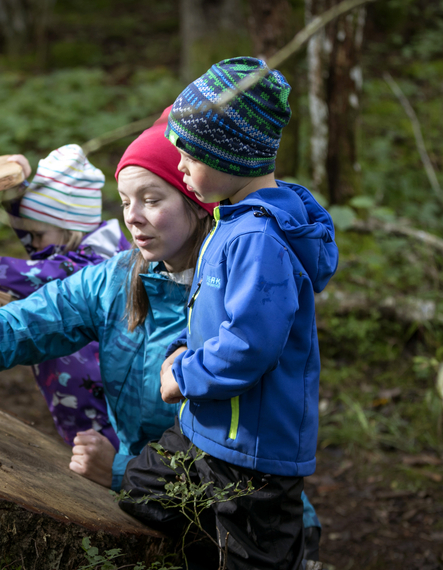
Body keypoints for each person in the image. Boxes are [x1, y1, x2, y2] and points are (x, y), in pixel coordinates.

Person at [0, 107, 322, 560]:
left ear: (198, 204)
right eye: (124, 202)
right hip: (155, 500)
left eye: (152, 200)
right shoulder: (115, 280)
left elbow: (235, 434)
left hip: (246, 521)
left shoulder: (237, 291)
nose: (132, 216)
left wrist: (119, 471)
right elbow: (20, 326)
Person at [119, 58, 338, 569]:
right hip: (206, 434)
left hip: (253, 454)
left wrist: (185, 376)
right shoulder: (231, 220)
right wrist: (181, 351)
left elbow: (249, 347)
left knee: (254, 560)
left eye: (187, 154)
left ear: (230, 158)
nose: (179, 165)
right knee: (142, 489)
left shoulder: (260, 239)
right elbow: (219, 320)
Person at [0, 144, 128, 449]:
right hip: (80, 403)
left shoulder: (91, 264)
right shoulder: (79, 244)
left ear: (69, 228)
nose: (34, 244)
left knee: (101, 466)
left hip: (105, 410)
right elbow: (33, 229)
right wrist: (14, 189)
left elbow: (28, 273)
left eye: (40, 235)